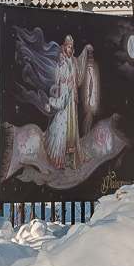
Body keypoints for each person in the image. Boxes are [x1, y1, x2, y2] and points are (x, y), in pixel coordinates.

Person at [45, 35, 93, 170]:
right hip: (65, 101)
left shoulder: (74, 61)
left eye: (72, 47)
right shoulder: (61, 62)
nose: (71, 50)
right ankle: (62, 158)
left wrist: (85, 49)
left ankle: (71, 159)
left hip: (72, 101)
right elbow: (59, 82)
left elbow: (80, 68)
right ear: (64, 48)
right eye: (69, 47)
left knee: (72, 129)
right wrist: (67, 84)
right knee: (63, 129)